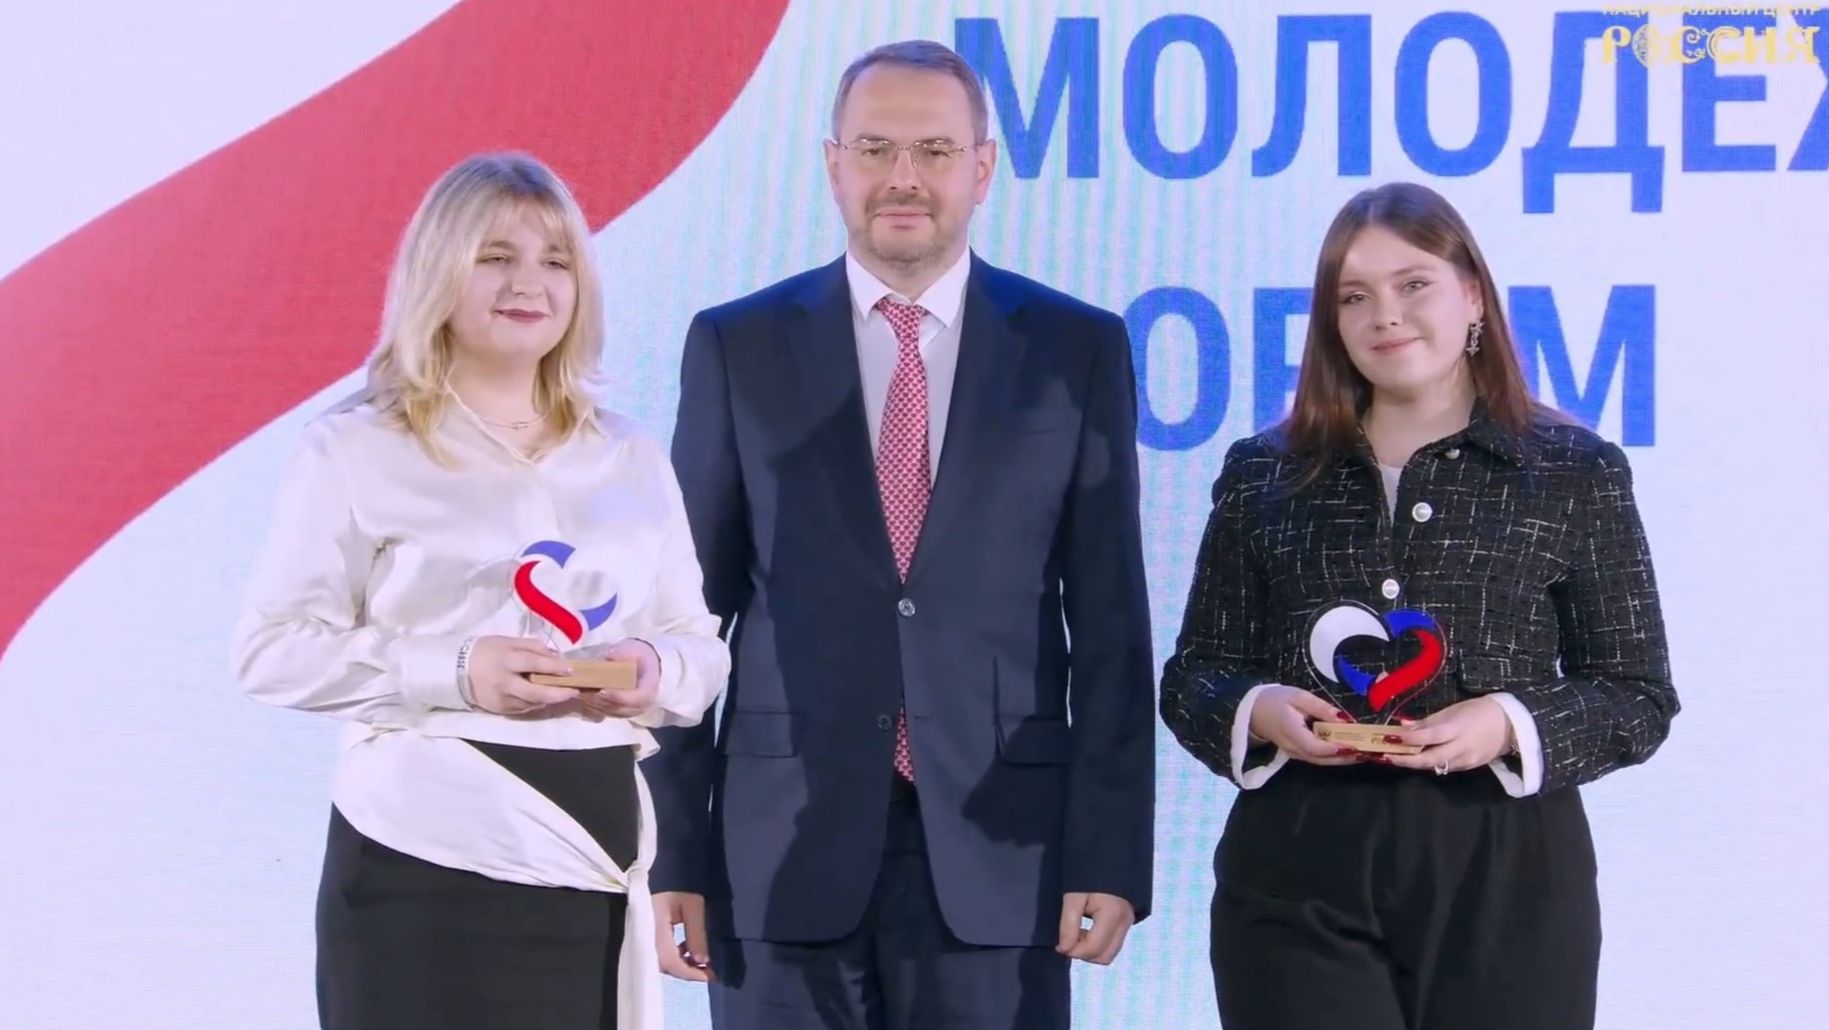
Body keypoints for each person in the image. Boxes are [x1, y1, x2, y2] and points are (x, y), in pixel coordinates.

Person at [647, 39, 1157, 1030]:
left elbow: (1109, 626)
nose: (903, 177)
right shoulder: (736, 345)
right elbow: (685, 619)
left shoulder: (1076, 348)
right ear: (833, 164)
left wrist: (1108, 853)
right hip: (775, 855)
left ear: (982, 168)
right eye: (875, 148)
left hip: (1001, 854)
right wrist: (672, 849)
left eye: (933, 150)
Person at [1160, 181, 1678, 1030]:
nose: (1385, 316)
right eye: (1353, 297)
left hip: (1506, 869)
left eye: (1412, 285)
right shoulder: (1265, 472)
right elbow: (1195, 675)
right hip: (1295, 865)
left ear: (1471, 294)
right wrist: (1260, 709)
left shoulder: (1572, 472)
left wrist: (1505, 723)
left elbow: (1636, 693)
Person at [229, 152, 729, 1030]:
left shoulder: (628, 454)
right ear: (437, 271)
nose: (528, 282)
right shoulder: (354, 447)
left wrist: (652, 667)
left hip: (594, 855)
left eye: (555, 260)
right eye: (496, 256)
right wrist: (457, 670)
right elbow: (270, 651)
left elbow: (699, 643)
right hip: (420, 858)